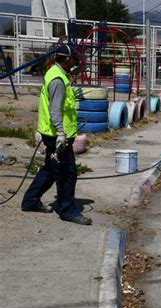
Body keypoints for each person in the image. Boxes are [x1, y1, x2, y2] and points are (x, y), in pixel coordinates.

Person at [21, 44, 92, 225]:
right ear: (67, 59)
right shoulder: (58, 80)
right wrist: (60, 132)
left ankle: (30, 200)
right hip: (57, 135)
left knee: (50, 170)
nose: (76, 62)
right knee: (67, 172)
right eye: (75, 59)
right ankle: (67, 210)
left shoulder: (56, 73)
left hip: (52, 132)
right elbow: (55, 110)